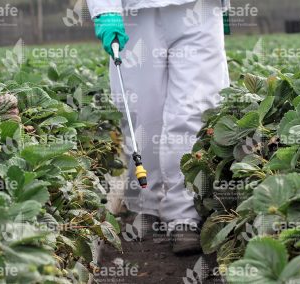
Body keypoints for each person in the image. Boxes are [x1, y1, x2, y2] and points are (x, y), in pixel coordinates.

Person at [86, 0, 230, 254]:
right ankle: (146, 203)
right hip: (136, 11)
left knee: (194, 111)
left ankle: (184, 215)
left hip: (200, 9)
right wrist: (105, 9)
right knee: (143, 112)